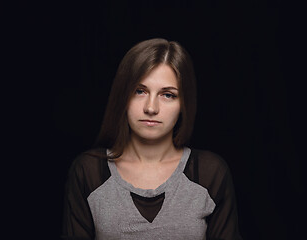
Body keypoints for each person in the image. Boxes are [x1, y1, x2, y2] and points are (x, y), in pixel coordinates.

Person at [62, 38, 242, 240]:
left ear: (184, 103)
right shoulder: (89, 171)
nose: (151, 108)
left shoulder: (210, 173)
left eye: (168, 95)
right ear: (123, 96)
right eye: (140, 91)